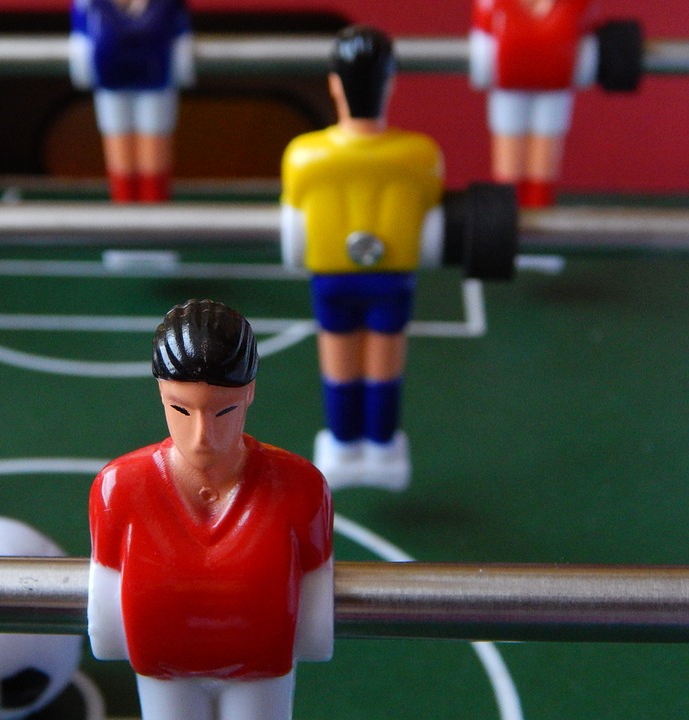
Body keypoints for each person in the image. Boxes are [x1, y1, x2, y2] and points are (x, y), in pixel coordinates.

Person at [88, 299, 333, 720]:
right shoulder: (117, 489)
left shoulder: (301, 487)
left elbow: (316, 597)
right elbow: (106, 598)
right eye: (181, 409)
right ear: (161, 394)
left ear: (249, 393)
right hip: (162, 670)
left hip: (261, 670)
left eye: (224, 410)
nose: (203, 435)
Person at [280, 26, 444, 491]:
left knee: (340, 369)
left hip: (332, 279)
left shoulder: (304, 156)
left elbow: (294, 223)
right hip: (393, 280)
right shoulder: (421, 155)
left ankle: (344, 446)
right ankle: (381, 448)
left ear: (335, 84)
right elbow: (431, 214)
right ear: (389, 83)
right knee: (384, 371)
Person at [469, 0, 598, 207]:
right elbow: (482, 46)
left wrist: (580, 61)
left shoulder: (573, 5)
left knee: (544, 152)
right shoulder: (494, 5)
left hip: (555, 87)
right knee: (509, 158)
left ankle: (539, 208)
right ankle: (510, 212)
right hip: (509, 88)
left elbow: (587, 43)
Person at [69, 0, 194, 202]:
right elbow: (81, 25)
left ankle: (154, 213)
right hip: (112, 77)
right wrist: (82, 57)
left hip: (155, 77)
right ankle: (124, 211)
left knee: (153, 162)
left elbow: (180, 28)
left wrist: (182, 61)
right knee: (120, 160)